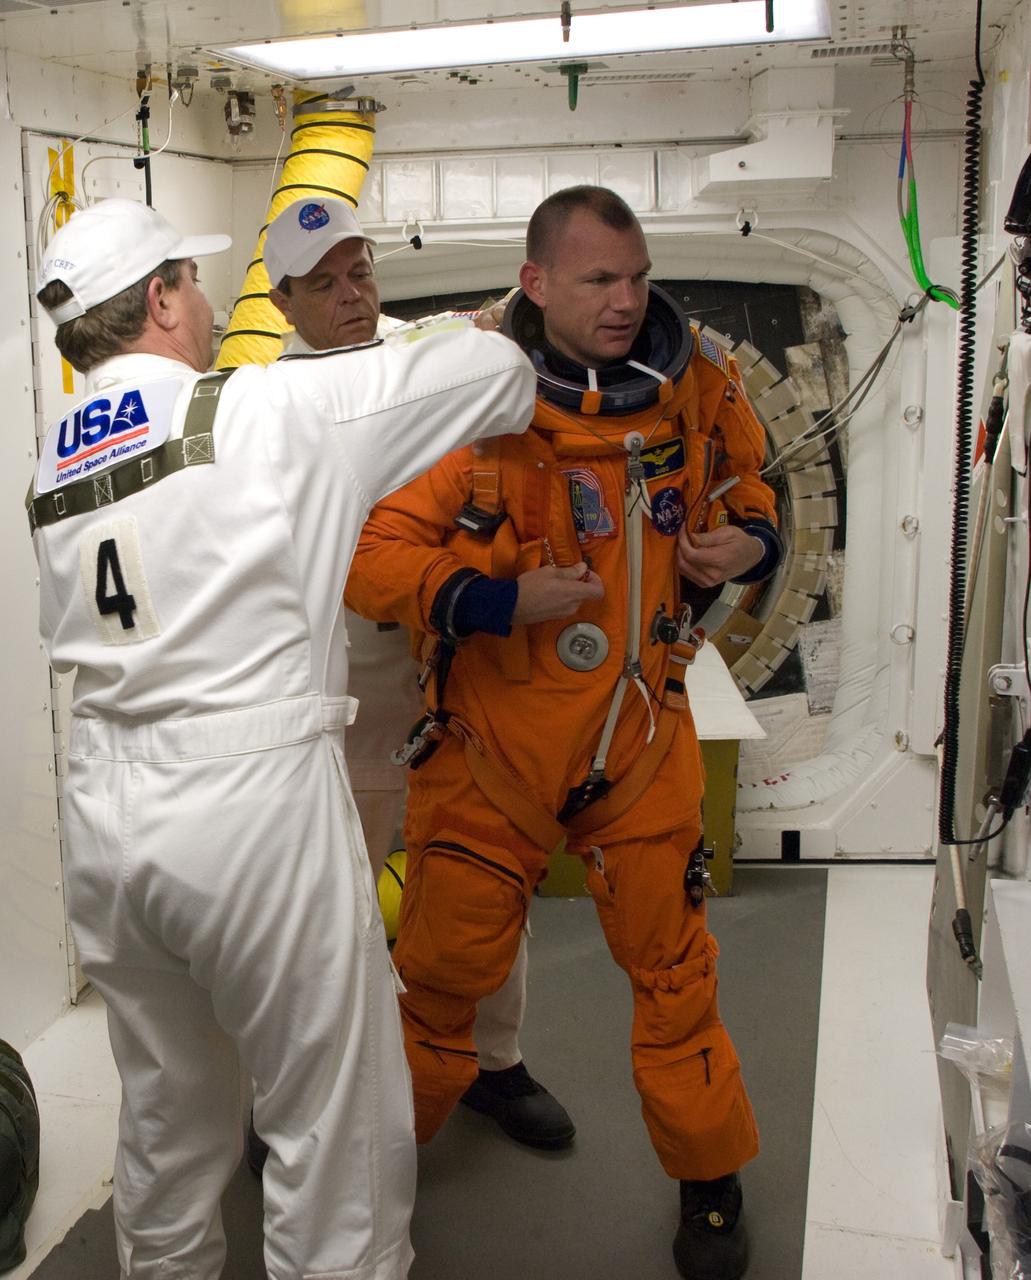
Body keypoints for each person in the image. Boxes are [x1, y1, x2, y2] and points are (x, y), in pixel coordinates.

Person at [28, 196, 535, 1280]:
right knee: (332, 1111)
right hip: (245, 794)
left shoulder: (53, 464)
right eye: (194, 282)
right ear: (160, 298)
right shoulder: (258, 410)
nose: (211, 304)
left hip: (106, 813)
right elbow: (491, 379)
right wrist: (494, 323)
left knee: (168, 1107)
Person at [345, 185, 782, 1280]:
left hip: (636, 742)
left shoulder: (694, 386)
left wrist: (747, 547)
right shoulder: (471, 401)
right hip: (491, 749)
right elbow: (369, 555)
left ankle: (709, 1182)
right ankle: (378, 1167)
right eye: (598, 281)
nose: (626, 301)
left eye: (634, 278)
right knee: (441, 976)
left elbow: (749, 486)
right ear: (536, 283)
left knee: (675, 975)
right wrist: (494, 600)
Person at [257, 196, 576, 1157]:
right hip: (337, 676)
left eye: (361, 272)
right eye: (326, 284)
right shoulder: (259, 408)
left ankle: (493, 1059)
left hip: (454, 661)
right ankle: (326, 1084)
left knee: (481, 866)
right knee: (332, 894)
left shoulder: (426, 362)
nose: (352, 295)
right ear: (281, 301)